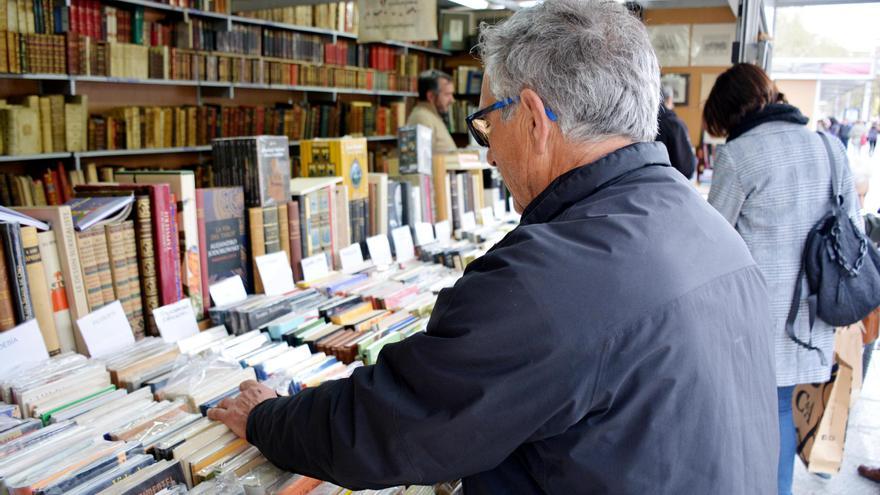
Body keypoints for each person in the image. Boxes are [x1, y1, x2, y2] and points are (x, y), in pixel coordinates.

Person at [208, 2, 778, 493]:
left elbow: (393, 424)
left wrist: (266, 418)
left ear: (533, 118)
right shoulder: (704, 224)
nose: (487, 154)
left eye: (485, 123)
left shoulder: (551, 276)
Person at [704, 63, 863, 495]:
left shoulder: (738, 156)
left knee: (760, 416)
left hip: (758, 317)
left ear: (730, 114)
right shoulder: (830, 147)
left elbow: (713, 238)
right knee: (781, 408)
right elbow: (856, 231)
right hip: (816, 311)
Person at [405, 69, 458, 154]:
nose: (452, 100)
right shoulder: (422, 118)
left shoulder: (430, 115)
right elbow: (421, 159)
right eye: (447, 94)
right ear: (431, 96)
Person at [655, 84, 696, 179]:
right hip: (673, 184)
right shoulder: (675, 125)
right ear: (669, 99)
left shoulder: (645, 123)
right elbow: (687, 168)